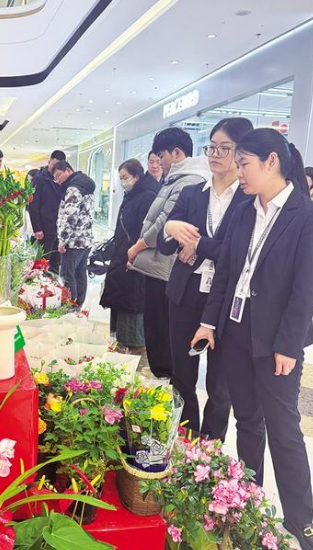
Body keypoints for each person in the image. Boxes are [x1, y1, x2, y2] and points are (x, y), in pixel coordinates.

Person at [191, 128, 313, 550]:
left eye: (244, 163)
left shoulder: (309, 216)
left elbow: (306, 289)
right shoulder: (243, 210)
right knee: (247, 421)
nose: (239, 172)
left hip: (277, 343)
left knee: (284, 429)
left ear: (272, 162)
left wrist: (288, 345)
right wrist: (208, 323)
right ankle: (249, 502)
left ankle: (301, 519)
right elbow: (227, 271)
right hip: (235, 332)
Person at [157, 117, 254, 440]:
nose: (215, 154)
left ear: (241, 152)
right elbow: (164, 244)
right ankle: (186, 440)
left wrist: (198, 245)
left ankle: (210, 448)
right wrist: (170, 228)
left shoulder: (250, 201)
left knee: (220, 383)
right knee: (182, 376)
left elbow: (237, 253)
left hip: (224, 299)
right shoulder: (192, 194)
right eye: (211, 147)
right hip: (184, 294)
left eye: (224, 148)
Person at [127, 127, 210, 379]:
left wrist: (138, 246)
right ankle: (161, 374)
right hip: (157, 265)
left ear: (176, 152)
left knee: (162, 327)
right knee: (155, 325)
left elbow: (165, 222)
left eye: (160, 156)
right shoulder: (174, 179)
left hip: (166, 267)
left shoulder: (189, 180)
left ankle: (166, 378)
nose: (158, 162)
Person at [100, 159, 160, 354]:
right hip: (123, 254)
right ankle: (123, 343)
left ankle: (134, 347)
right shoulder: (132, 195)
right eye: (120, 178)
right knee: (122, 299)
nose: (122, 181)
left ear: (137, 176)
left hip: (135, 258)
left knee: (132, 301)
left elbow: (147, 232)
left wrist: (135, 253)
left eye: (125, 177)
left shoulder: (147, 196)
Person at [53, 161, 96, 308]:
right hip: (85, 240)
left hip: (73, 242)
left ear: (68, 170)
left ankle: (70, 307)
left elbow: (70, 217)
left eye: (59, 175)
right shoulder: (86, 185)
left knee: (67, 275)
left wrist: (62, 241)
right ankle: (79, 305)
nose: (58, 180)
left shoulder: (73, 188)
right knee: (80, 273)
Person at [27, 150, 66, 273]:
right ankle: (41, 283)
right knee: (42, 262)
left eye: (58, 165)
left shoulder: (61, 179)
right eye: (53, 164)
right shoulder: (39, 179)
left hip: (58, 229)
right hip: (44, 229)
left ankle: (54, 283)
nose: (55, 168)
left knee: (56, 263)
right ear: (49, 162)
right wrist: (37, 228)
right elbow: (33, 204)